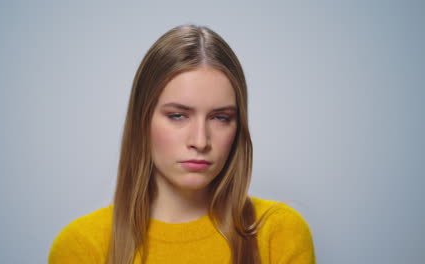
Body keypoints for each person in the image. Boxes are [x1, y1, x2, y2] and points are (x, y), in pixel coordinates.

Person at [48, 24, 316, 264]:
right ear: (142, 120)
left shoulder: (278, 232)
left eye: (221, 117)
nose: (200, 141)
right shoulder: (82, 246)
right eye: (178, 115)